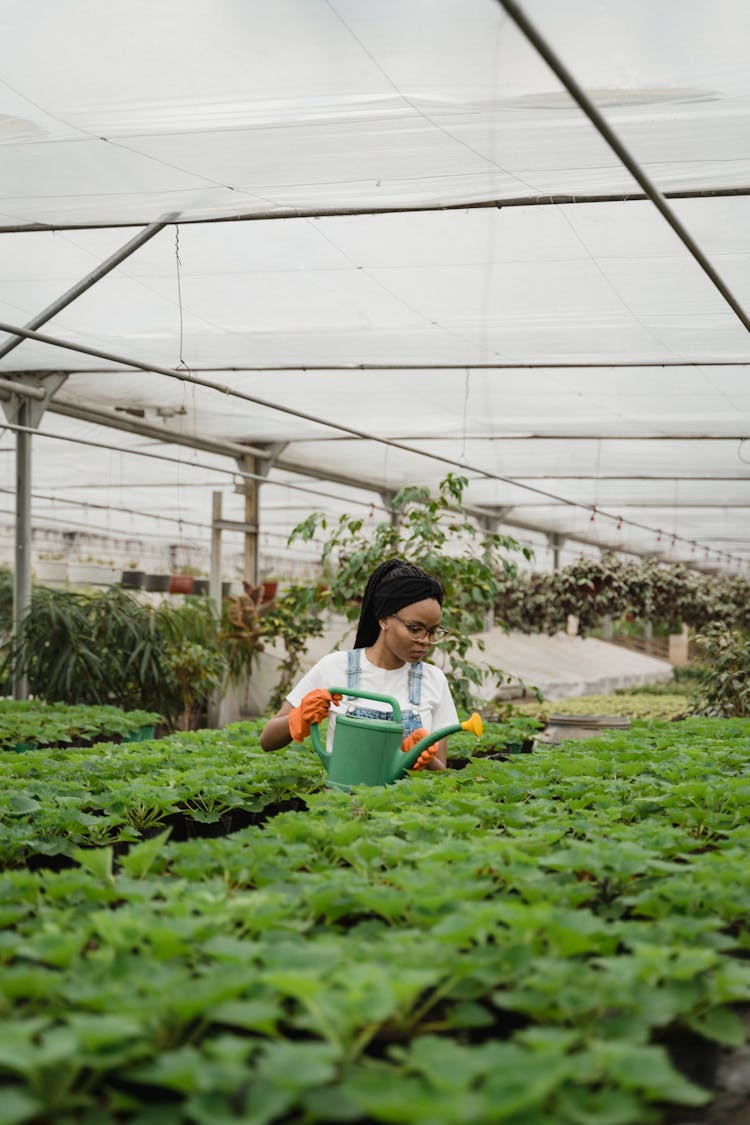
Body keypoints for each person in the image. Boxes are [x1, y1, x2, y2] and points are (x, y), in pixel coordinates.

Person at [260, 559, 458, 770]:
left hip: (409, 802)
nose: (425, 640)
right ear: (384, 619)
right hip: (343, 801)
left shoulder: (434, 680)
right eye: (415, 628)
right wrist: (299, 717)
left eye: (433, 631)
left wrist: (421, 756)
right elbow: (267, 740)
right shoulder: (335, 668)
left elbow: (441, 772)